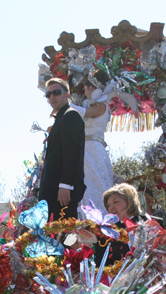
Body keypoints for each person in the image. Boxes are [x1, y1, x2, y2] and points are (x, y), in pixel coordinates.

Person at [38, 78, 86, 220]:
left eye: (56, 92)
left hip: (62, 192)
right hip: (53, 191)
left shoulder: (71, 116)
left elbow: (72, 154)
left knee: (63, 237)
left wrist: (66, 185)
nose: (52, 97)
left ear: (67, 94)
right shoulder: (61, 118)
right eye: (48, 94)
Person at [70, 69, 113, 213]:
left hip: (93, 150)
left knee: (98, 186)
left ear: (92, 88)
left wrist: (65, 104)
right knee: (87, 186)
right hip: (85, 150)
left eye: (86, 89)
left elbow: (85, 114)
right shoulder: (92, 105)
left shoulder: (101, 106)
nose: (85, 92)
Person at [92, 183, 144, 264]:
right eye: (108, 205)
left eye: (115, 202)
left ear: (129, 202)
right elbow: (102, 267)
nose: (111, 207)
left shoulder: (149, 223)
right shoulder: (106, 235)